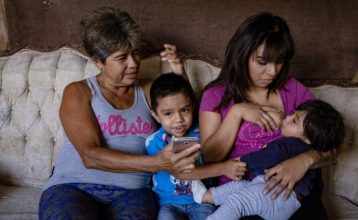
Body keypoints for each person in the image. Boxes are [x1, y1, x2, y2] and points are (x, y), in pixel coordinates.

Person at [38, 7, 201, 219]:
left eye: (135, 53)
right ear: (98, 61)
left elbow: (187, 122)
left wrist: (180, 73)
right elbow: (90, 156)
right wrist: (158, 163)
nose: (133, 64)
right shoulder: (79, 92)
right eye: (122, 58)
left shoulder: (149, 90)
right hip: (73, 186)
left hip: (133, 191)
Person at [199, 12, 329, 219]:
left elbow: (332, 138)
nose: (272, 72)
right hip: (242, 193)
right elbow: (209, 156)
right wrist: (237, 112)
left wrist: (304, 161)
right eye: (263, 62)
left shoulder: (292, 90)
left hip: (292, 191)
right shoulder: (215, 95)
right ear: (242, 54)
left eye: (279, 62)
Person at [193, 100, 345, 220]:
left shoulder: (291, 144)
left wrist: (241, 160)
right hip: (276, 195)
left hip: (278, 197)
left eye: (294, 121)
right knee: (240, 187)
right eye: (292, 114)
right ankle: (207, 196)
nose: (288, 117)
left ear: (308, 139)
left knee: (238, 201)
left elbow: (266, 157)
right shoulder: (307, 145)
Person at [146, 73, 247, 220]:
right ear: (155, 116)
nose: (179, 120)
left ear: (192, 107)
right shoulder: (155, 142)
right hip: (169, 203)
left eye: (185, 110)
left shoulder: (202, 133)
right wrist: (224, 167)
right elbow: (181, 168)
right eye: (168, 114)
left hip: (202, 201)